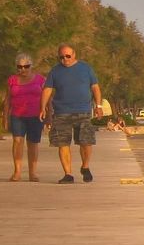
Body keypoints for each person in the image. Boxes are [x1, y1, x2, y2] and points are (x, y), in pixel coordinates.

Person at [41, 43, 102, 184]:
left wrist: (98, 106)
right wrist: (42, 107)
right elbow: (47, 90)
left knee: (86, 142)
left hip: (83, 111)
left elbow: (95, 88)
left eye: (68, 56)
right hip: (62, 112)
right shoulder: (55, 71)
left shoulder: (86, 68)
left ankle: (85, 166)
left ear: (74, 55)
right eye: (61, 57)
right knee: (63, 143)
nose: (65, 59)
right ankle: (68, 174)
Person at [3, 53, 47, 181]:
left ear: (31, 66)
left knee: (32, 143)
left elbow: (47, 98)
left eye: (26, 66)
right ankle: (17, 172)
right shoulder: (12, 80)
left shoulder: (40, 79)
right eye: (20, 67)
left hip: (35, 114)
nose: (23, 69)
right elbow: (7, 100)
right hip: (17, 115)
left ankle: (33, 172)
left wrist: (48, 114)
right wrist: (5, 117)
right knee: (17, 141)